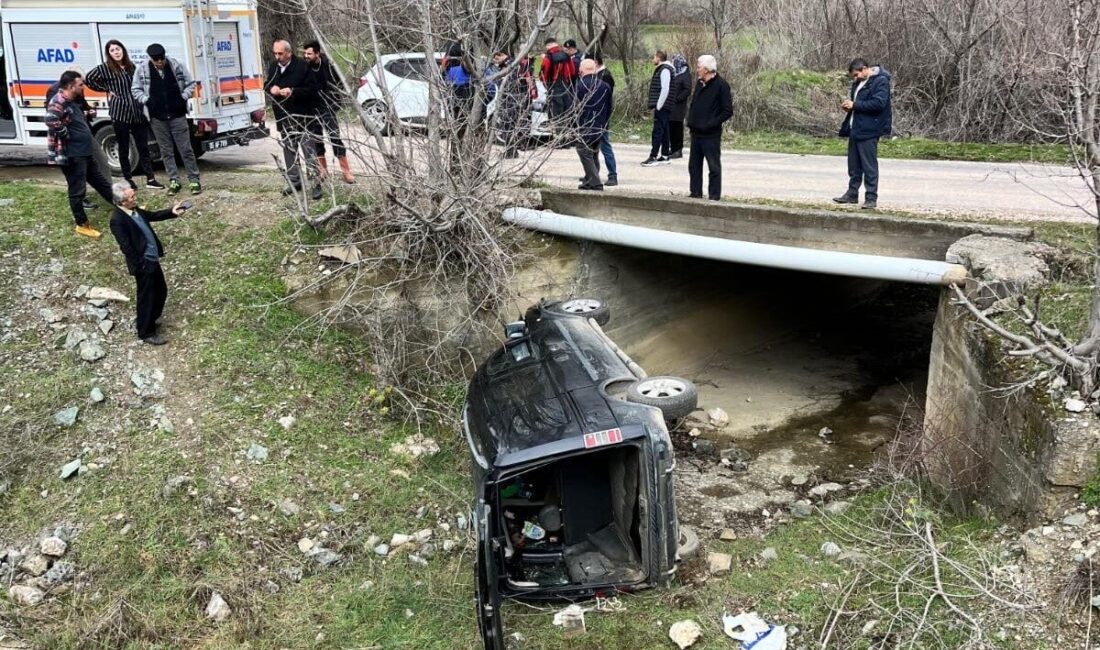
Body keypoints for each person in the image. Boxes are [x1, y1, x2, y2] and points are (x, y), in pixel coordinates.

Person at [108, 181, 187, 345]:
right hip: (144, 264)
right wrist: (141, 264)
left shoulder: (134, 210)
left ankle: (150, 317)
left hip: (152, 260)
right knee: (147, 296)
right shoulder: (117, 220)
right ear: (122, 202)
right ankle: (146, 331)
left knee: (161, 291)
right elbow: (126, 247)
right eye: (132, 197)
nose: (135, 198)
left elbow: (152, 215)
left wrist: (171, 212)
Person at [45, 71, 114, 239]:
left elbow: (70, 118)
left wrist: (85, 115)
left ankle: (123, 205)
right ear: (70, 86)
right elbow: (50, 120)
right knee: (77, 190)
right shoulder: (58, 101)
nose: (83, 87)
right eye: (80, 84)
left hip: (84, 152)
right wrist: (66, 134)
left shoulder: (71, 100)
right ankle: (82, 224)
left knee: (100, 182)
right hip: (73, 154)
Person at [86, 40, 163, 190]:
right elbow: (89, 79)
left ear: (123, 50)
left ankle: (150, 178)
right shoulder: (105, 68)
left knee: (143, 147)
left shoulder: (131, 66)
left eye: (118, 49)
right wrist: (106, 88)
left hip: (136, 111)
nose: (116, 52)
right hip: (120, 112)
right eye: (112, 50)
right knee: (123, 147)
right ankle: (128, 179)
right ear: (109, 53)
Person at [131, 43, 201, 195]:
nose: (159, 62)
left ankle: (194, 179)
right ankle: (174, 180)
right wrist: (146, 100)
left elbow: (191, 84)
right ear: (151, 58)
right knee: (166, 151)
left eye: (161, 58)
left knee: (186, 149)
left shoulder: (177, 65)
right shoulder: (142, 69)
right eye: (156, 59)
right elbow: (135, 89)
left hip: (177, 115)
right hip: (157, 118)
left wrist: (183, 97)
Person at [264, 39, 321, 199]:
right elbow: (267, 83)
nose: (277, 56)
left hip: (302, 114)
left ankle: (316, 183)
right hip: (283, 115)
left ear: (289, 53)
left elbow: (312, 89)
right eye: (275, 53)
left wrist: (293, 91)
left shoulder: (303, 66)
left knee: (308, 150)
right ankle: (295, 181)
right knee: (289, 149)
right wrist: (271, 88)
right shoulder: (274, 66)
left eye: (280, 53)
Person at [834, 58, 892, 210]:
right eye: (853, 76)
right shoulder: (859, 83)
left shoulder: (881, 81)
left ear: (865, 69)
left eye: (856, 74)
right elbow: (858, 104)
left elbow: (879, 103)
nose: (855, 78)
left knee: (869, 166)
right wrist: (850, 108)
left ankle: (871, 198)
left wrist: (856, 105)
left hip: (870, 129)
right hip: (856, 127)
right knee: (854, 165)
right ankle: (852, 194)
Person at [302, 40, 354, 184]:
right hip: (312, 108)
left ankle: (346, 172)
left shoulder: (328, 66)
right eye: (304, 53)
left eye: (309, 53)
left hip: (328, 106)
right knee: (316, 138)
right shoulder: (304, 67)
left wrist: (335, 102)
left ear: (317, 54)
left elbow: (339, 84)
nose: (306, 56)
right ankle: (322, 170)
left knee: (335, 137)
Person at [685, 54, 733, 201]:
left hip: (710, 135)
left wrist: (710, 123)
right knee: (693, 166)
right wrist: (690, 119)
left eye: (699, 67)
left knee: (713, 167)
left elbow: (727, 111)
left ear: (706, 69)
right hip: (696, 133)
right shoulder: (700, 83)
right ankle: (695, 193)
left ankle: (714, 196)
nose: (697, 70)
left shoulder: (721, 85)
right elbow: (695, 103)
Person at [574, 59, 612, 191]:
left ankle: (595, 182)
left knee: (584, 151)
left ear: (581, 70)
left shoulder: (580, 85)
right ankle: (589, 180)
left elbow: (575, 108)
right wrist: (605, 124)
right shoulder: (605, 86)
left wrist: (574, 126)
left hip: (585, 124)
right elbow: (609, 107)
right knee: (594, 153)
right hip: (600, 125)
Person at [488, 51, 530, 159]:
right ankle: (511, 150)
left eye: (497, 59)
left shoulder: (511, 66)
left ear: (503, 55)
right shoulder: (510, 65)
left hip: (511, 99)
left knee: (509, 127)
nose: (496, 62)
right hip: (510, 99)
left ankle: (511, 151)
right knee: (508, 127)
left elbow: (510, 83)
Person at [641, 51, 674, 167]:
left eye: (654, 57)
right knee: (664, 130)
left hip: (663, 105)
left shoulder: (664, 69)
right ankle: (665, 155)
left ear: (659, 58)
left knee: (658, 131)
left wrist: (659, 105)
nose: (652, 59)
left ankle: (653, 156)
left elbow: (665, 89)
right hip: (665, 105)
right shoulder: (664, 68)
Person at [539, 38, 577, 131]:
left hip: (553, 88)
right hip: (566, 87)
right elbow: (572, 72)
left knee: (556, 114)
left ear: (548, 45)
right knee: (567, 112)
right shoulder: (566, 55)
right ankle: (567, 137)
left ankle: (559, 139)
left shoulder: (548, 58)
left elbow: (543, 76)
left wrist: (546, 86)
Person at [667, 54, 693, 159]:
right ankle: (672, 148)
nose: (672, 63)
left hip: (678, 106)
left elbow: (687, 90)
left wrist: (677, 98)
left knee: (677, 128)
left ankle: (678, 150)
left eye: (674, 61)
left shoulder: (685, 74)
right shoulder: (674, 73)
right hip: (671, 105)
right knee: (671, 127)